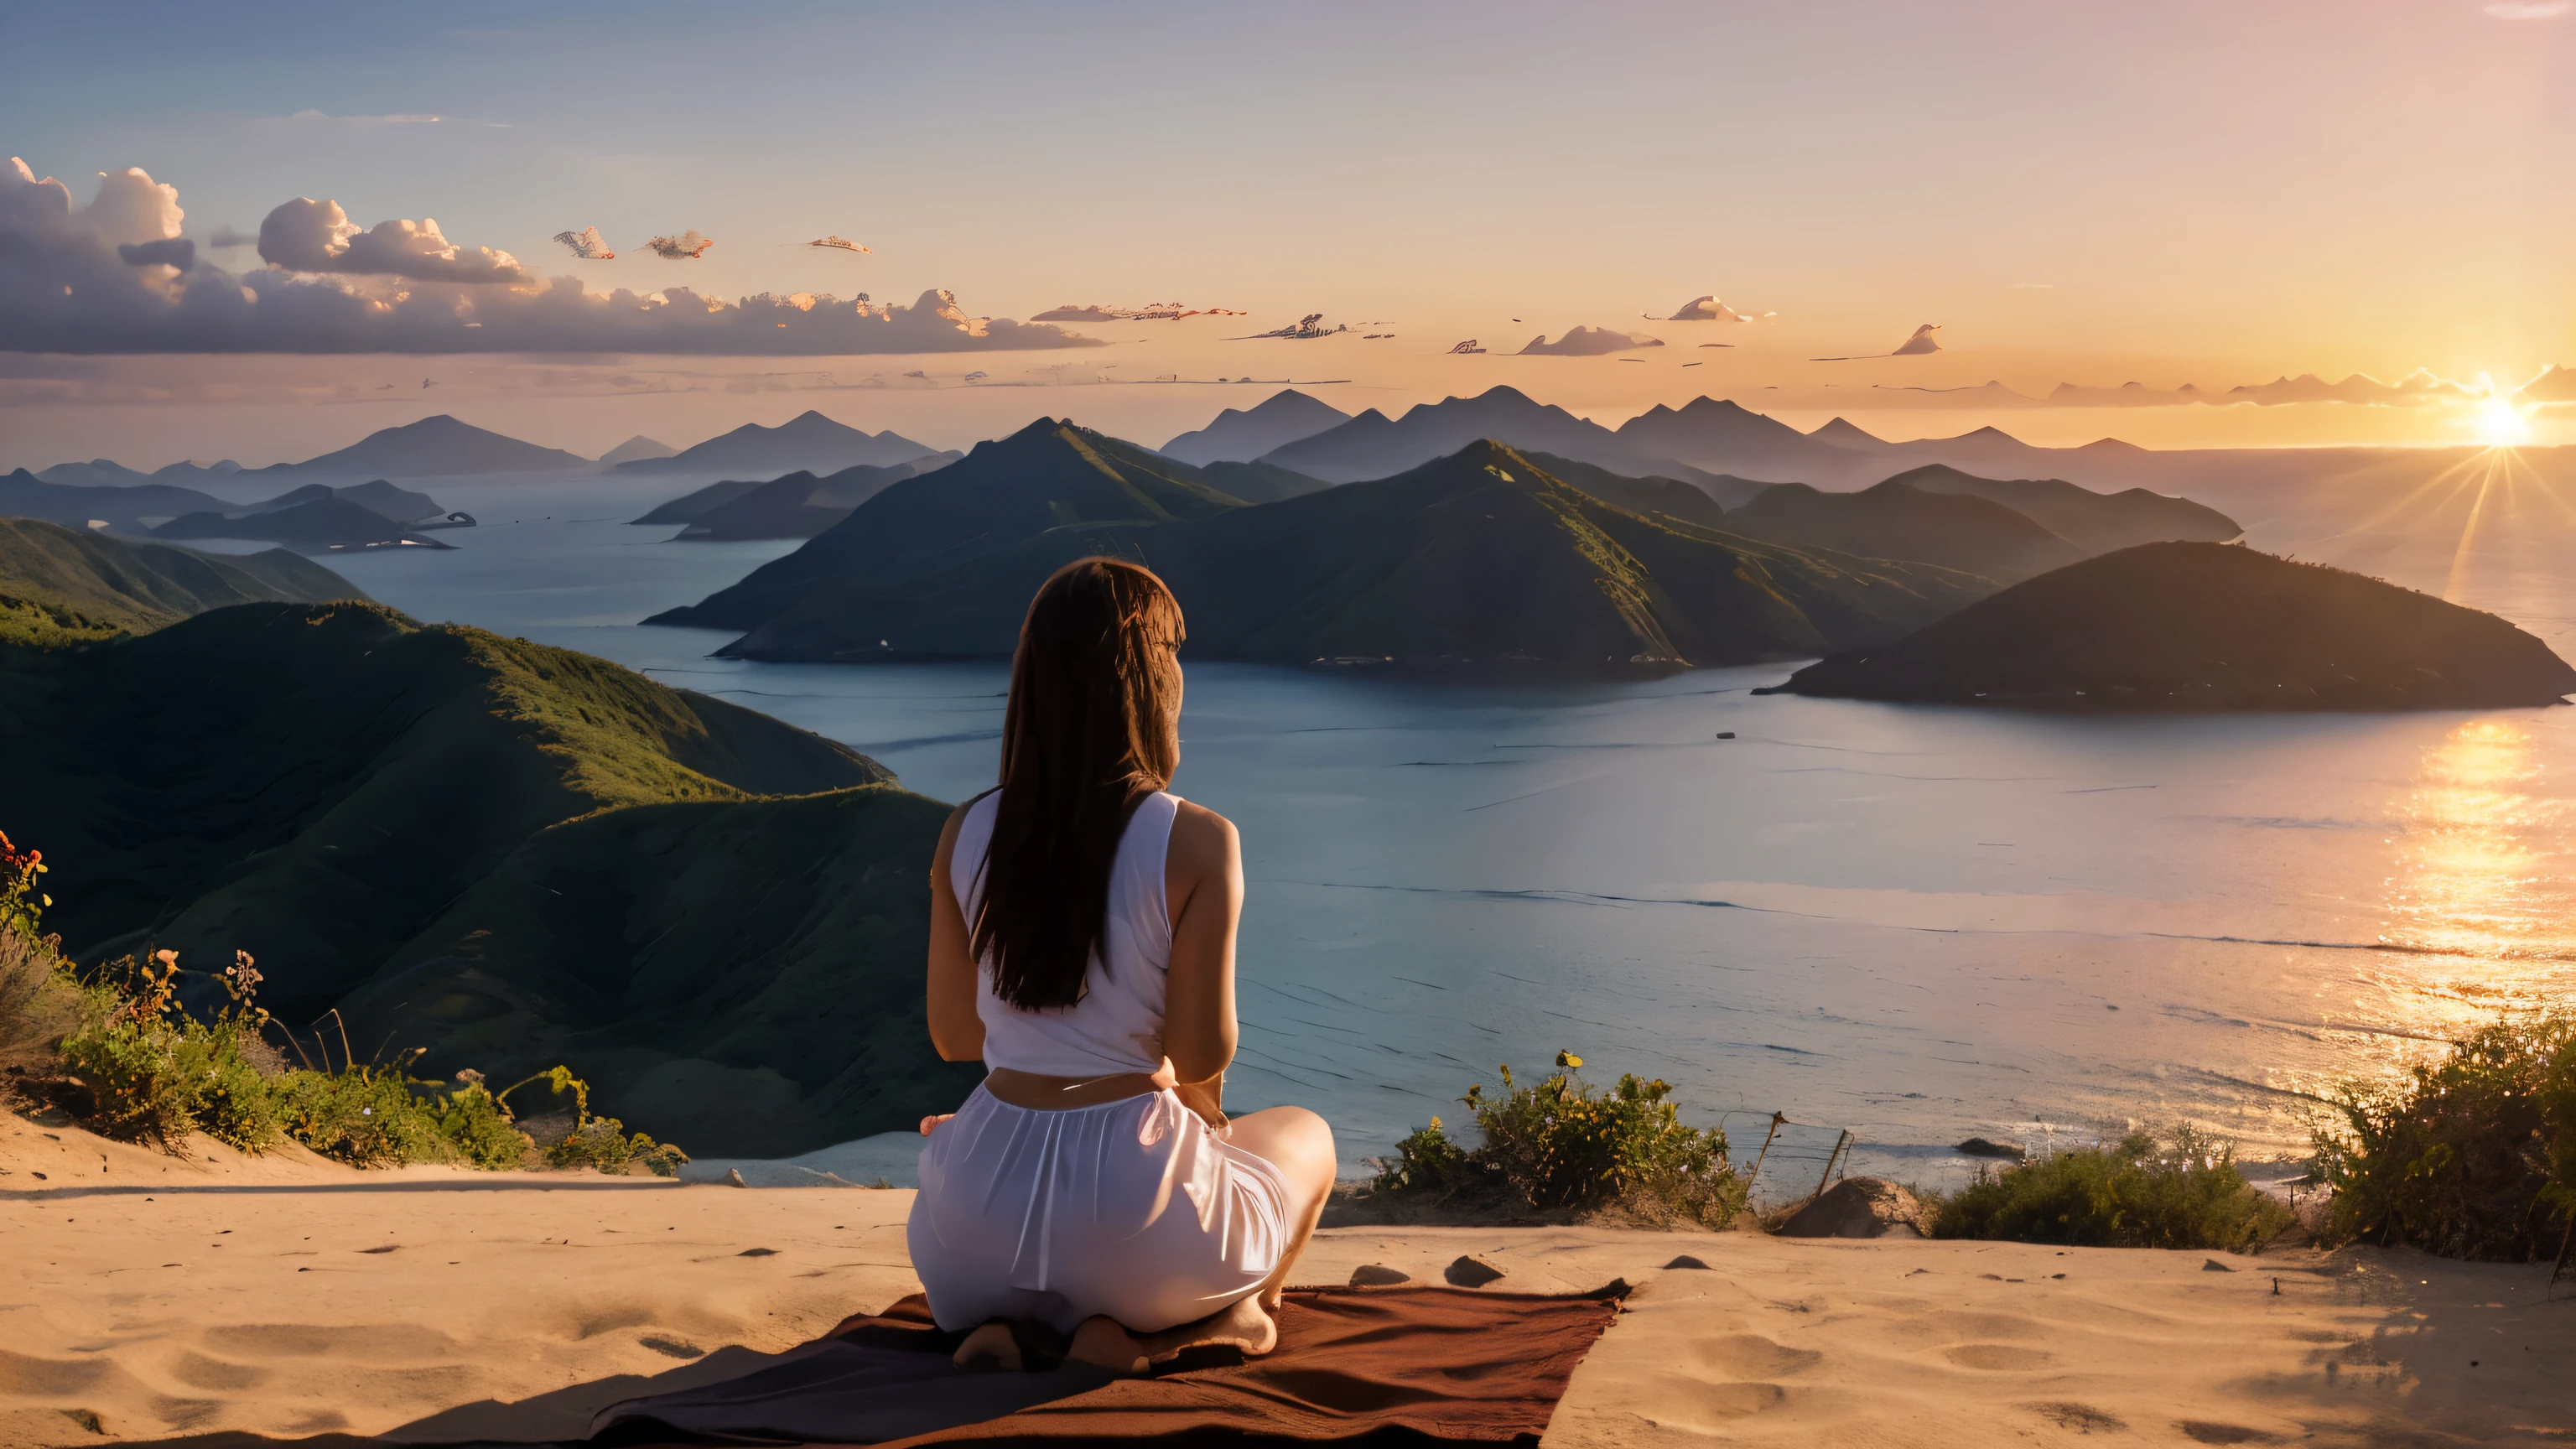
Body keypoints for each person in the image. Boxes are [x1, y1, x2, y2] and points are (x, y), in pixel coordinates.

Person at [906, 557, 1337, 1374]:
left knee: (1018, 1241)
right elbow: (1203, 1052)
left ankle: (1010, 1327)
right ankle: (1205, 1323)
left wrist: (1041, 1093)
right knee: (1304, 1135)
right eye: (1172, 654)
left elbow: (957, 1036)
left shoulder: (963, 832)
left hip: (968, 1234)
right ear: (1148, 679)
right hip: (1136, 1227)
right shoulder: (1198, 839)